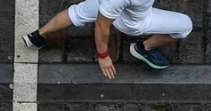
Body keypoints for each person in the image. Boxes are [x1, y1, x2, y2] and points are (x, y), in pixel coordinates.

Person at [22, 0, 193, 77]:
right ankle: (143, 48)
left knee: (77, 12)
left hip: (105, 3)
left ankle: (37, 37)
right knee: (185, 26)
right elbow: (102, 26)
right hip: (130, 21)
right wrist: (103, 56)